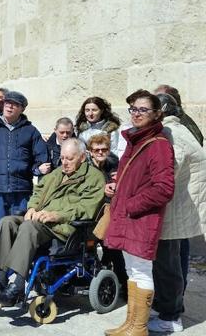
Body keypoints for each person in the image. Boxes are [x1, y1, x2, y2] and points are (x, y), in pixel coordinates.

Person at [0, 138, 105, 306]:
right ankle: (0, 279)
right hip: (42, 220)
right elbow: (38, 192)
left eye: (70, 159)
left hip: (65, 227)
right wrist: (32, 208)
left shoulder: (94, 178)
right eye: (62, 158)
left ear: (81, 157)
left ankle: (18, 286)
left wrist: (57, 215)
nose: (64, 163)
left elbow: (87, 208)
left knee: (28, 227)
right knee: (7, 222)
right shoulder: (57, 173)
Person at [104, 89, 175, 336]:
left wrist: (131, 204)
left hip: (141, 219)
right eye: (133, 109)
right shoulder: (137, 140)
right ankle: (130, 323)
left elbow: (164, 188)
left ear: (156, 114)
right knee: (132, 270)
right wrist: (118, 188)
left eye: (143, 109)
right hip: (128, 218)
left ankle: (139, 327)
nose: (137, 113)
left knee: (142, 271)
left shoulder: (159, 145)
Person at [146, 94, 206, 333]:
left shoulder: (170, 133)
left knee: (166, 266)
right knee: (171, 262)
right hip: (180, 205)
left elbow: (168, 169)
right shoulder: (180, 128)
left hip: (173, 209)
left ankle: (170, 316)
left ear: (161, 110)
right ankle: (167, 307)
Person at [0, 91, 49, 255]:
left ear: (21, 109)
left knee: (20, 228)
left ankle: (18, 264)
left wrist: (36, 169)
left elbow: (42, 158)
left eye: (14, 104)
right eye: (7, 102)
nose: (9, 105)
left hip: (21, 191)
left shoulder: (31, 131)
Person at [86, 134, 128, 295]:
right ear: (90, 151)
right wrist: (102, 189)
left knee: (114, 247)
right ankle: (103, 270)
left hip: (109, 213)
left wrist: (117, 184)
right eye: (97, 150)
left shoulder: (114, 163)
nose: (101, 152)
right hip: (91, 213)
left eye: (104, 149)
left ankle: (122, 284)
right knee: (107, 243)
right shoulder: (85, 167)